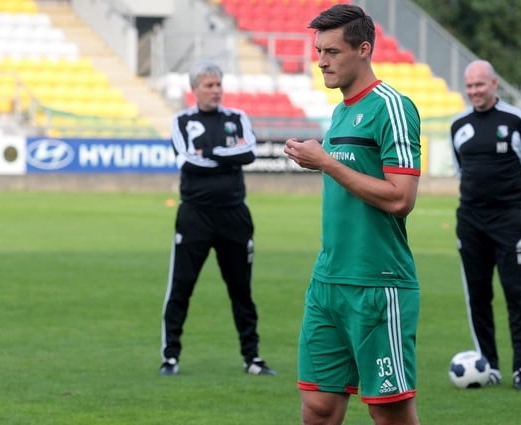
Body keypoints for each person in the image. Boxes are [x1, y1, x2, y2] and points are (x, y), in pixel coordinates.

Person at [284, 4, 422, 424]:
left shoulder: (392, 107)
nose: (321, 61)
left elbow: (401, 198)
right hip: (328, 282)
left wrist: (326, 162)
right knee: (319, 408)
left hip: (377, 285)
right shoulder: (341, 110)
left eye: (332, 51)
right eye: (318, 51)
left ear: (364, 49)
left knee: (390, 414)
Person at [159, 61, 275, 377]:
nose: (215, 90)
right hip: (195, 215)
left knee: (241, 291)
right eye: (209, 85)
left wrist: (212, 153)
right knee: (181, 287)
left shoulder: (236, 118)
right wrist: (227, 155)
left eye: (218, 85)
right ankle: (170, 357)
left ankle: (252, 358)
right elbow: (187, 160)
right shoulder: (182, 121)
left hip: (235, 215)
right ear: (194, 89)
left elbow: (249, 153)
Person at [450, 59, 521, 390]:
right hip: (470, 220)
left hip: (509, 219)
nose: (474, 91)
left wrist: (506, 199)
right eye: (469, 86)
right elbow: (462, 170)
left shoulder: (517, 120)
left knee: (516, 294)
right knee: (478, 295)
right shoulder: (458, 124)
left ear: (494, 84)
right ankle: (489, 366)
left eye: (480, 85)